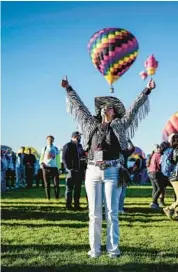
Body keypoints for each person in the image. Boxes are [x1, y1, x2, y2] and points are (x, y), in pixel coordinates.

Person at [61, 76, 155, 258]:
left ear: (115, 112)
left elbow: (134, 109)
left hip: (113, 171)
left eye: (110, 106)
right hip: (92, 171)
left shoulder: (120, 124)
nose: (106, 107)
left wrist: (147, 90)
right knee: (94, 214)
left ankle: (113, 250)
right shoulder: (90, 124)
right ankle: (94, 249)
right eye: (104, 105)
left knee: (112, 212)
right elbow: (79, 107)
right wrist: (69, 88)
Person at [62, 131, 83, 210]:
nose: (80, 138)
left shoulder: (80, 146)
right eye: (78, 137)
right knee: (69, 188)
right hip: (71, 170)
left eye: (80, 137)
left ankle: (77, 205)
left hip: (79, 170)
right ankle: (69, 205)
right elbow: (64, 158)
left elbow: (82, 156)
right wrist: (68, 168)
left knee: (78, 188)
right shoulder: (68, 145)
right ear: (74, 137)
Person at [39, 135, 61, 200]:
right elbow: (41, 158)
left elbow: (58, 159)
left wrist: (59, 168)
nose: (50, 141)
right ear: (46, 140)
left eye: (51, 140)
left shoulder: (56, 149)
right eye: (48, 140)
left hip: (54, 168)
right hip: (46, 168)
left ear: (53, 140)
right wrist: (41, 164)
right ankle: (48, 198)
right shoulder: (44, 148)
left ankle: (56, 197)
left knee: (56, 184)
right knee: (47, 184)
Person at [118, 139, 135, 214]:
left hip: (116, 173)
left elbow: (132, 149)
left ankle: (117, 208)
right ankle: (120, 208)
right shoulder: (124, 152)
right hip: (121, 174)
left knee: (117, 193)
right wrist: (128, 140)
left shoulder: (115, 151)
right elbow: (132, 148)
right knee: (122, 192)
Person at [147, 144, 163, 208]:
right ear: (155, 149)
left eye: (159, 147)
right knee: (160, 188)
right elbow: (161, 164)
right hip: (156, 172)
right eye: (157, 147)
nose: (159, 148)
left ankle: (155, 203)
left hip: (150, 172)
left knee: (155, 188)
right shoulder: (158, 155)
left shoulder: (152, 155)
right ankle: (153, 202)